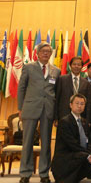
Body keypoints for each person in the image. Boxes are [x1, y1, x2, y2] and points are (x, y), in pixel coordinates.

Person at [17, 42, 61, 183]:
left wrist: (56, 114)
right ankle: (25, 173)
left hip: (48, 109)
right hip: (30, 108)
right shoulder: (29, 67)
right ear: (37, 53)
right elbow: (21, 88)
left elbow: (56, 92)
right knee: (28, 141)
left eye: (48, 51)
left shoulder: (56, 70)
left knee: (46, 143)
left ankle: (44, 174)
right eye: (43, 51)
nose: (46, 53)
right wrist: (20, 108)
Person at [51, 93, 91, 183]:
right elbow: (72, 145)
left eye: (82, 104)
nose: (79, 106)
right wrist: (88, 155)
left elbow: (90, 143)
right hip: (66, 157)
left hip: (80, 155)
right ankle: (65, 178)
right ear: (70, 105)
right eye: (77, 103)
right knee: (82, 156)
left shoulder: (84, 122)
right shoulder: (64, 121)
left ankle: (73, 178)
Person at [56, 56, 91, 123]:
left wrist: (88, 120)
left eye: (79, 65)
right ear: (70, 66)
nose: (76, 66)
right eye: (74, 64)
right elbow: (57, 98)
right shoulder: (62, 79)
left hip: (80, 116)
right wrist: (55, 117)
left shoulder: (86, 83)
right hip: (63, 115)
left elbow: (89, 103)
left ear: (82, 67)